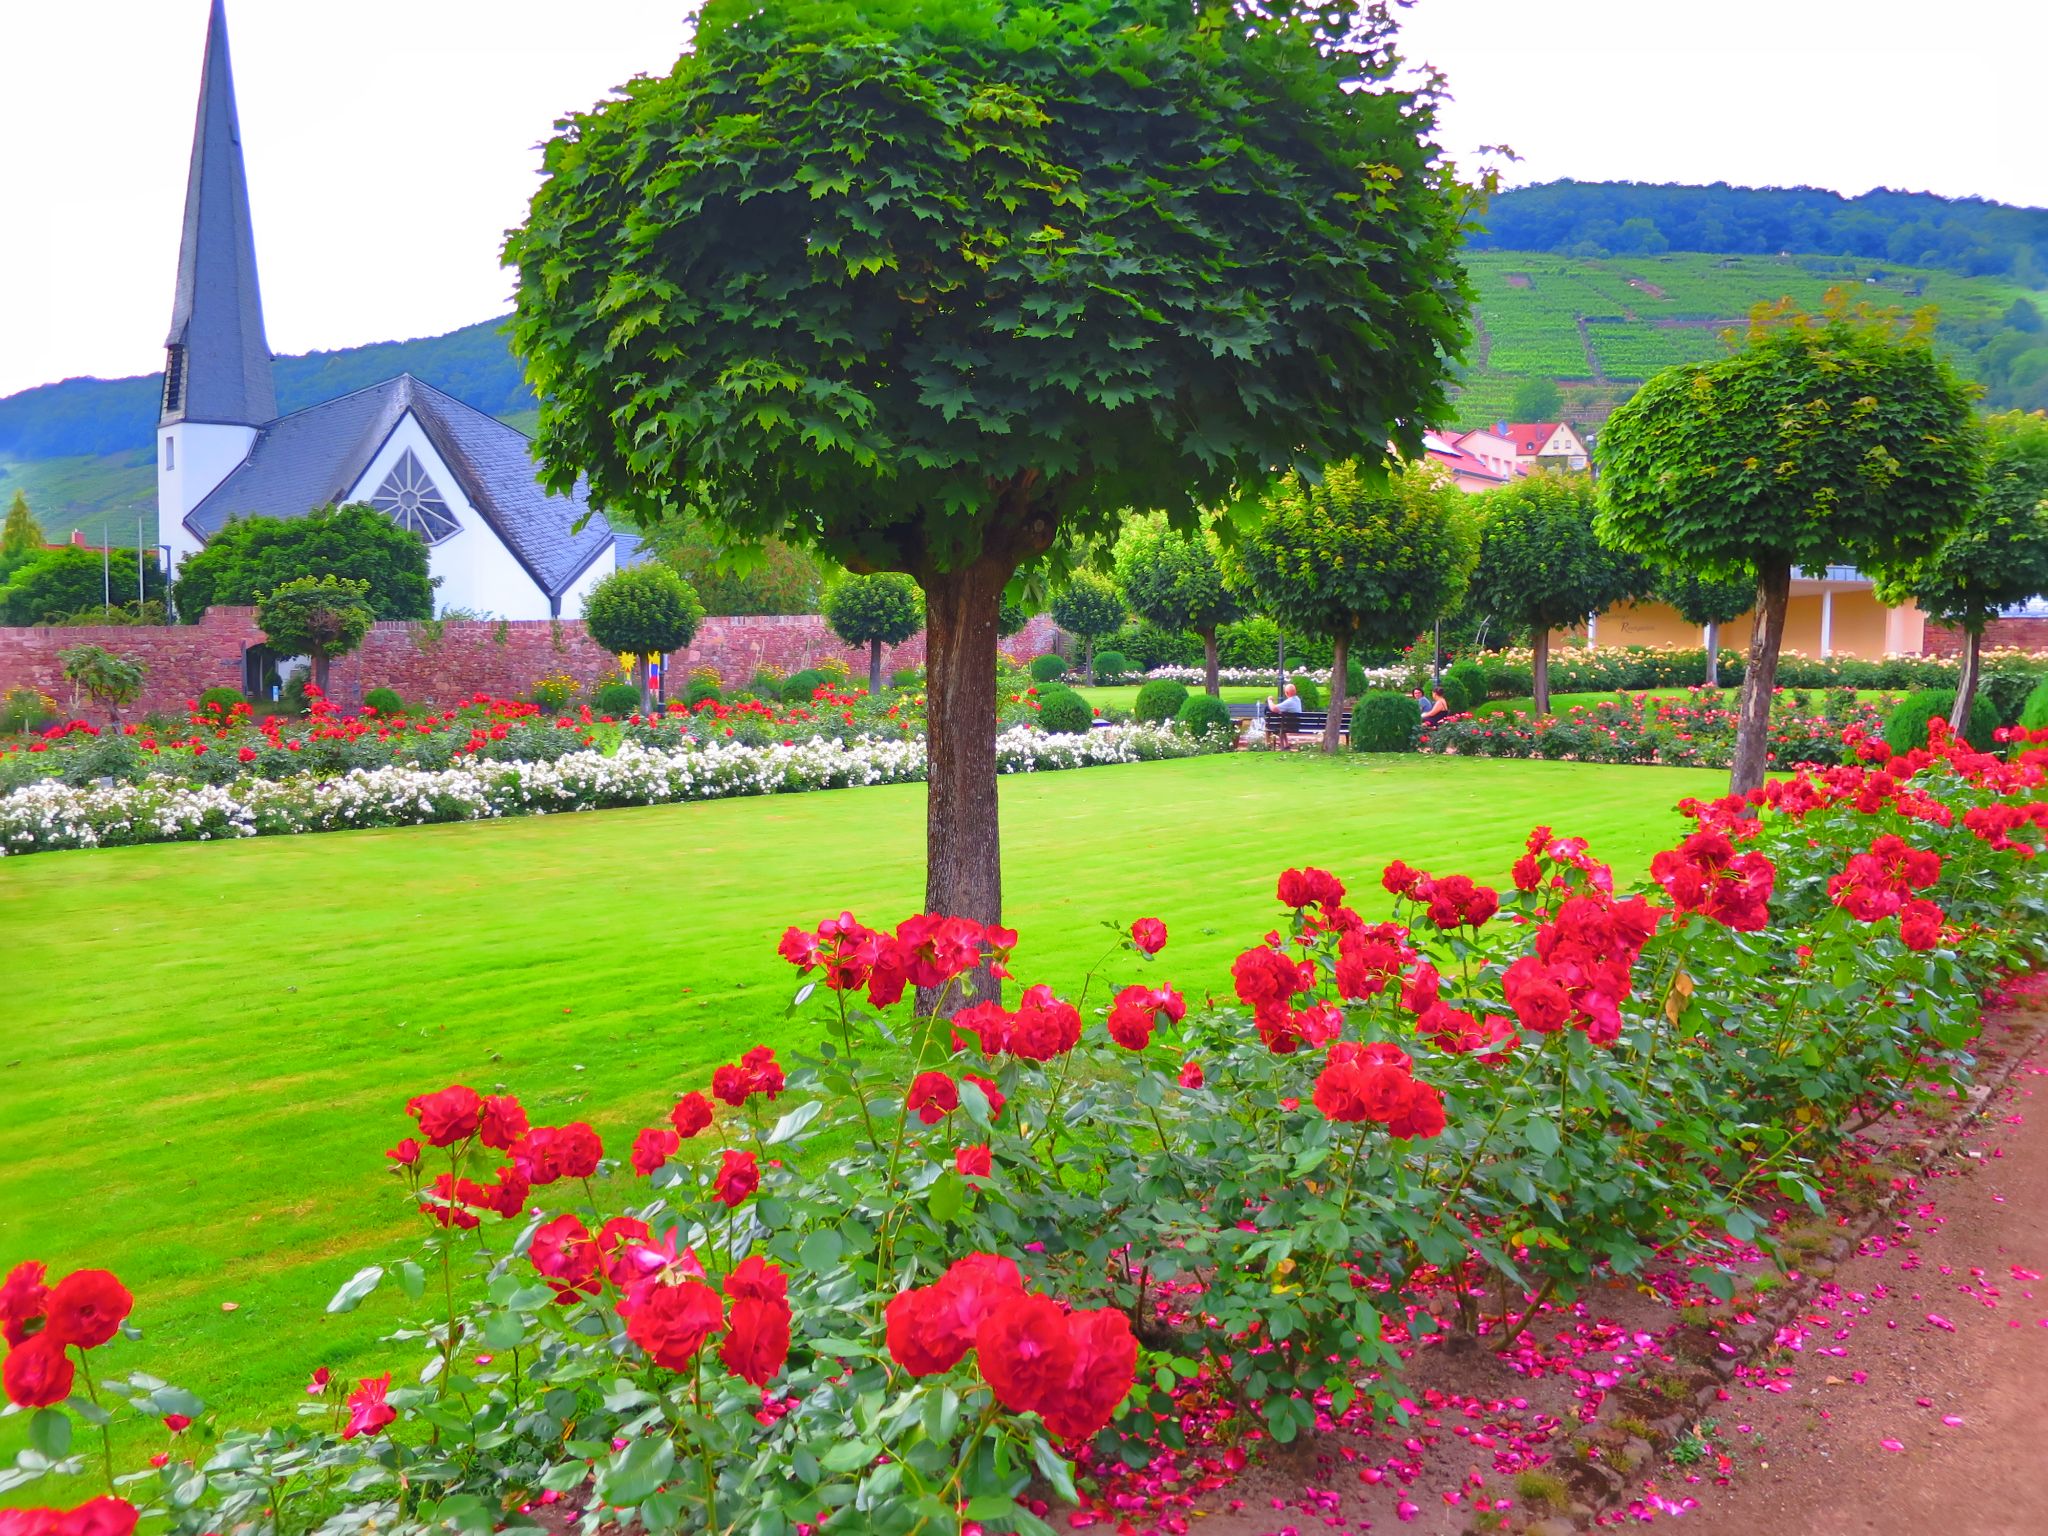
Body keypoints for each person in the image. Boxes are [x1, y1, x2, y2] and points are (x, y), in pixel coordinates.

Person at [1264, 681, 1304, 747]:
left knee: (1268, 710)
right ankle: (1286, 745)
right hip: (1295, 724)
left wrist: (1269, 700)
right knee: (1282, 721)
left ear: (1287, 693)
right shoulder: (1297, 699)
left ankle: (1267, 743)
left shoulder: (1290, 701)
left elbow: (1274, 708)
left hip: (1290, 726)